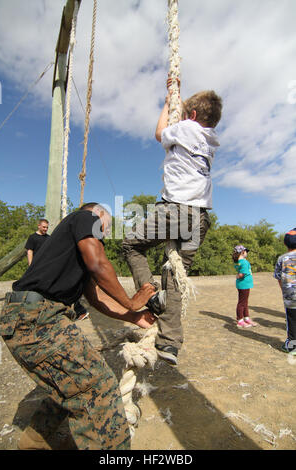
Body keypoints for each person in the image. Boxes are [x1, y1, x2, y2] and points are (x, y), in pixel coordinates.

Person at [0, 203, 155, 450]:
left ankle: (33, 444)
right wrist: (132, 302)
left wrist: (133, 317)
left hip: (28, 317)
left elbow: (96, 297)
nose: (103, 234)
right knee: (98, 386)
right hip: (37, 317)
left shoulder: (71, 253)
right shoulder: (85, 216)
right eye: (106, 227)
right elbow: (98, 264)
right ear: (98, 214)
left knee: (71, 386)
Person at [122, 78, 222, 366]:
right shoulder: (211, 140)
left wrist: (169, 102)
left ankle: (150, 294)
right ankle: (170, 344)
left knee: (130, 245)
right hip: (201, 218)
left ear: (190, 116)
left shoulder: (186, 127)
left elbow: (158, 133)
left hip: (176, 212)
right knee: (175, 277)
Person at [26, 218, 89, 321]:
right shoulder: (33, 238)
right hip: (36, 269)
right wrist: (31, 266)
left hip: (48, 268)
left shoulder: (49, 238)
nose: (46, 229)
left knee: (59, 288)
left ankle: (79, 310)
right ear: (39, 226)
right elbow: (29, 252)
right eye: (44, 227)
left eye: (47, 227)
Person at [274, 228, 296, 355]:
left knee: (292, 322)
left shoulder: (281, 259)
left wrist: (284, 290)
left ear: (285, 244)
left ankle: (293, 347)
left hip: (290, 297)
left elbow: (279, 278)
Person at [233, 245, 257, 328]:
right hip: (244, 284)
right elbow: (241, 274)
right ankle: (240, 320)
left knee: (245, 302)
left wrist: (238, 276)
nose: (247, 253)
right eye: (246, 251)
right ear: (242, 252)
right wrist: (238, 275)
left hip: (242, 284)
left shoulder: (237, 262)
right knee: (242, 303)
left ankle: (246, 318)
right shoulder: (244, 262)